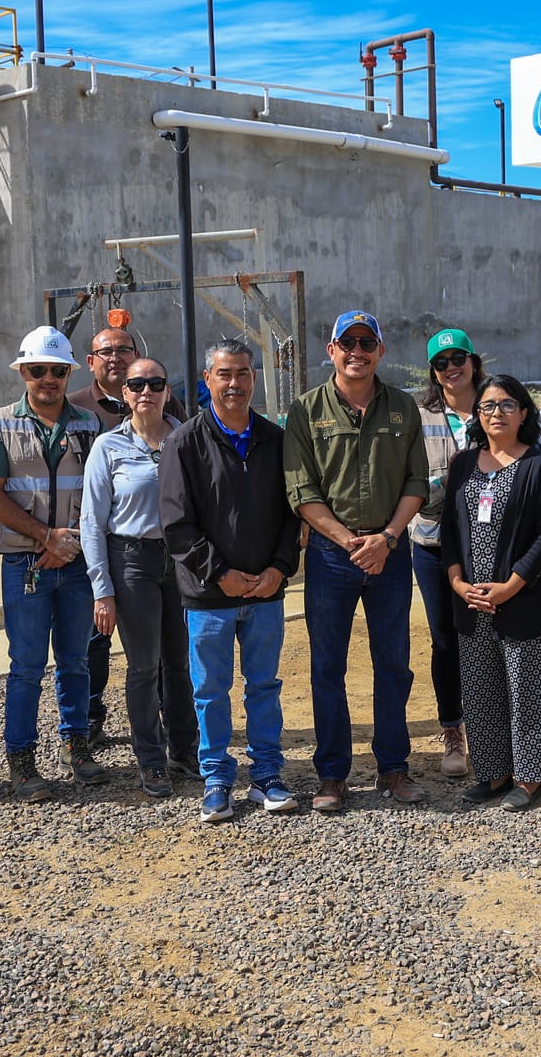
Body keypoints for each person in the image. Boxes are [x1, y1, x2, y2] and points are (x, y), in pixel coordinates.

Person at [283, 310, 429, 813]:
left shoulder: (403, 408)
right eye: (348, 343)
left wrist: (387, 538)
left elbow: (417, 481)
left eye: (367, 343)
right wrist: (350, 542)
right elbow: (301, 490)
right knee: (327, 668)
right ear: (332, 350)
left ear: (380, 352)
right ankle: (332, 775)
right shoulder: (305, 411)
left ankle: (393, 768)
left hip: (390, 552)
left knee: (393, 665)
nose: (357, 351)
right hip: (332, 556)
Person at [162, 339, 304, 824]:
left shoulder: (275, 440)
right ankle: (218, 780)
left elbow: (292, 513)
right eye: (224, 374)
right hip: (209, 597)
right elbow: (177, 524)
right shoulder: (183, 443)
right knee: (210, 690)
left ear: (254, 379)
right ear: (208, 380)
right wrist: (219, 574)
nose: (235, 383)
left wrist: (278, 569)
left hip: (265, 593)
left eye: (243, 373)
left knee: (264, 685)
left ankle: (267, 775)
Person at [0, 326, 111, 802]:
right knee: (27, 665)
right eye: (37, 370)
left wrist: (66, 543)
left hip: (74, 561)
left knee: (75, 660)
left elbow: (99, 495)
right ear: (23, 373)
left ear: (69, 371)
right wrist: (45, 537)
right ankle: (22, 763)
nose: (48, 379)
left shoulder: (90, 425)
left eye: (57, 370)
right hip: (24, 561)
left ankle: (78, 750)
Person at [443, 375, 541, 811]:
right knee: (481, 692)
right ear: (477, 414)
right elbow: (450, 532)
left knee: (527, 691)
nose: (497, 413)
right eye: (488, 406)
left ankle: (529, 778)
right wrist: (457, 582)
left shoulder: (538, 465)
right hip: (471, 603)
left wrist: (511, 586)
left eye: (507, 405)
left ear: (525, 413)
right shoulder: (461, 465)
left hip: (522, 601)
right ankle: (493, 774)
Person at [80, 356, 199, 799]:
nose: (146, 391)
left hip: (181, 560)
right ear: (124, 394)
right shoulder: (108, 447)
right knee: (145, 666)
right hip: (131, 560)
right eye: (137, 384)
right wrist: (102, 590)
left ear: (168, 390)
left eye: (156, 382)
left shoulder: (187, 440)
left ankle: (185, 751)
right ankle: (151, 760)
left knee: (180, 662)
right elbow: (92, 521)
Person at [410, 327, 485, 778]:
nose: (451, 367)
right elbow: (410, 479)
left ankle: (492, 728)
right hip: (433, 541)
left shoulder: (496, 405)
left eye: (458, 357)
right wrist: (445, 482)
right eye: (441, 362)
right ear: (433, 372)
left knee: (487, 637)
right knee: (444, 639)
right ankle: (453, 729)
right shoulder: (418, 415)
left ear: (474, 361)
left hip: (487, 544)